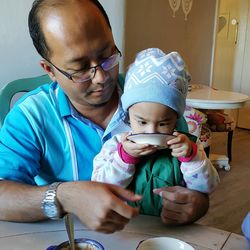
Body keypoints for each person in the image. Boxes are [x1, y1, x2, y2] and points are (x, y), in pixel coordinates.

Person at [0, 0, 209, 233]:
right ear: (50, 70)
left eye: (107, 55)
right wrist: (64, 196)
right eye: (79, 68)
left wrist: (197, 203)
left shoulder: (154, 100)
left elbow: (192, 178)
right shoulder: (31, 118)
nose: (101, 77)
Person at [92, 48, 219, 215]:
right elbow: (100, 187)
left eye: (163, 123)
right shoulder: (116, 145)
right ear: (128, 116)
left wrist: (191, 158)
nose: (151, 131)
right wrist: (124, 159)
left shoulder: (188, 146)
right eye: (142, 122)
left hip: (171, 229)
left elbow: (208, 186)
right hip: (128, 228)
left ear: (176, 119)